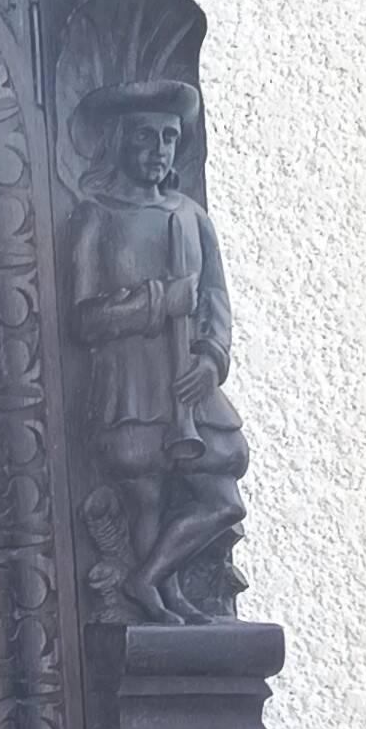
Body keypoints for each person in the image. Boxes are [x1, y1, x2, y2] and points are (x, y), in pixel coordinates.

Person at [64, 78, 247, 624]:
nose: (159, 151)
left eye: (169, 138)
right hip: (132, 385)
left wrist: (211, 358)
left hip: (186, 385)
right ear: (120, 142)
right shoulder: (97, 216)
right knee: (146, 496)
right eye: (145, 137)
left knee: (223, 495)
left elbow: (215, 300)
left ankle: (150, 577)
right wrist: (156, 302)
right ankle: (157, 598)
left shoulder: (191, 217)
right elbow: (84, 317)